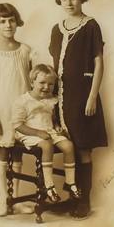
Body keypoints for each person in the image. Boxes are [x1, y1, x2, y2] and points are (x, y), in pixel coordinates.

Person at [49, 0, 108, 218]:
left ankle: (84, 201)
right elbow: (55, 65)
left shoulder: (91, 26)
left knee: (83, 148)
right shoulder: (56, 28)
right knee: (67, 147)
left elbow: (98, 61)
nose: (69, 2)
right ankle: (71, 198)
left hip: (83, 96)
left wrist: (92, 96)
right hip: (61, 97)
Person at [0, 3, 35, 216]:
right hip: (0, 110)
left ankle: (16, 199)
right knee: (3, 149)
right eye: (3, 21)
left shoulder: (25, 50)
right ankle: (3, 198)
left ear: (16, 21)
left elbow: (29, 84)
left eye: (11, 20)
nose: (8, 25)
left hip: (20, 110)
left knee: (18, 151)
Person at [11, 64, 80, 203]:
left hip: (49, 131)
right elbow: (18, 125)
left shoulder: (52, 100)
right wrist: (37, 132)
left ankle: (70, 182)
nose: (46, 87)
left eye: (50, 84)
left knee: (68, 146)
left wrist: (57, 127)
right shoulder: (23, 101)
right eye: (42, 83)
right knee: (47, 145)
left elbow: (53, 119)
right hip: (30, 132)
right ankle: (49, 186)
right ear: (32, 82)